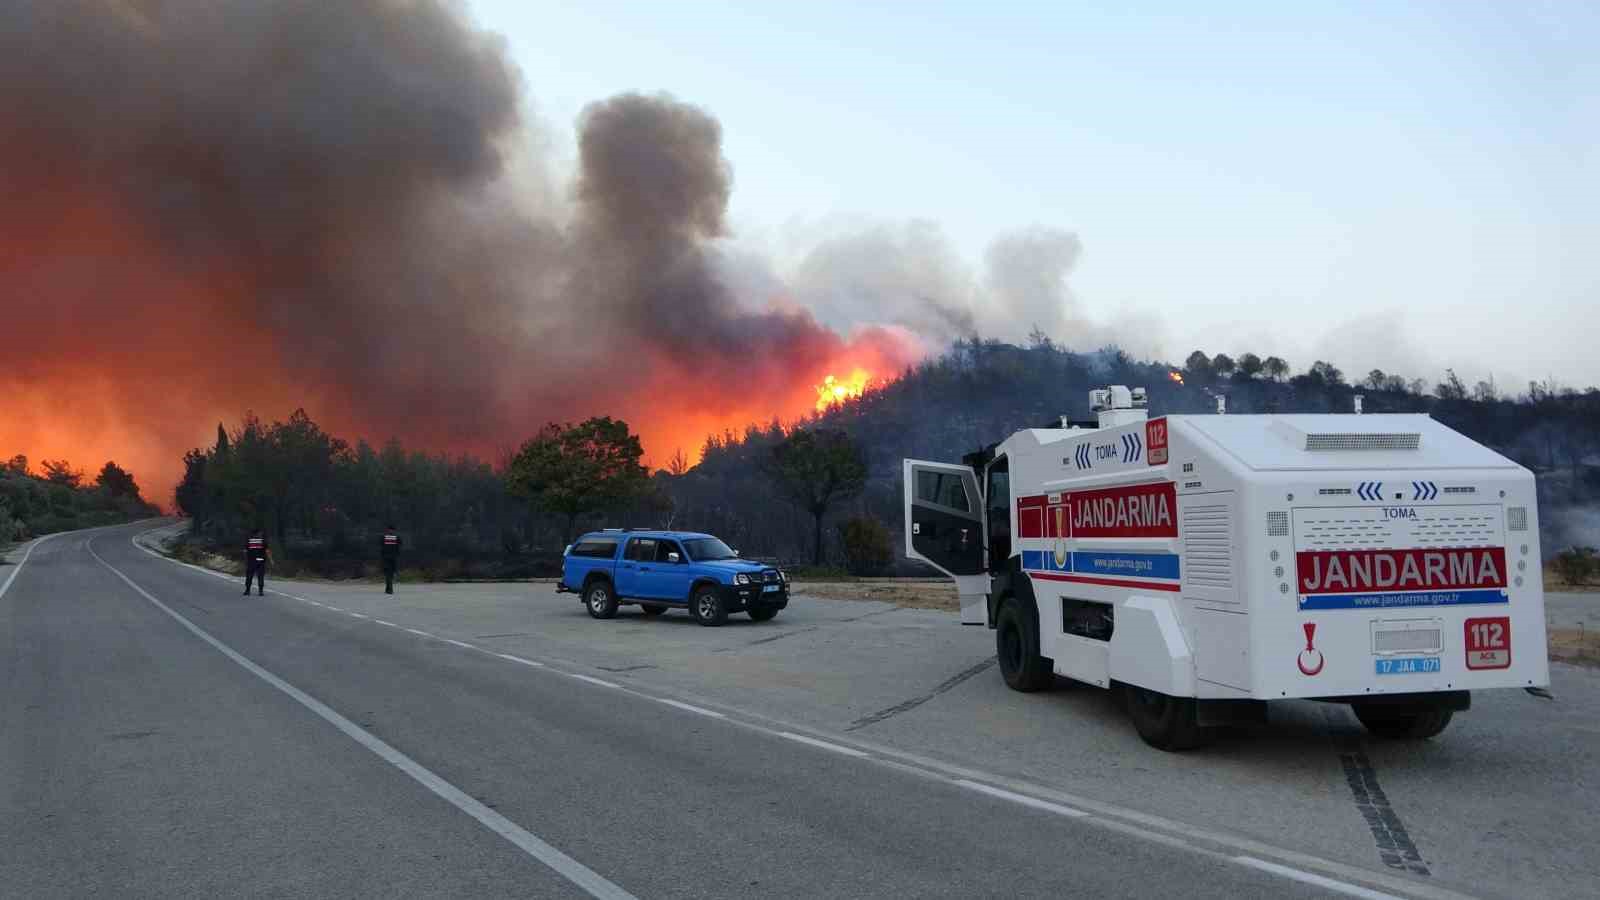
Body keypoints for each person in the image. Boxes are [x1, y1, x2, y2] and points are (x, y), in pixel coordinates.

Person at [243, 528, 271, 596]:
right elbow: (267, 551)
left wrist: (246, 559)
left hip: (251, 560)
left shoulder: (249, 540)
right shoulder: (263, 541)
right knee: (260, 575)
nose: (261, 534)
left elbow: (245, 551)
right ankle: (260, 591)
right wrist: (271, 560)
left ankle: (247, 590)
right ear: (258, 533)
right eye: (260, 533)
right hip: (260, 560)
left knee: (249, 575)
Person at [380, 523, 402, 594]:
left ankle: (388, 589)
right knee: (391, 573)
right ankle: (389, 589)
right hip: (394, 558)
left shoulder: (383, 537)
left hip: (386, 558)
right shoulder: (397, 537)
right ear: (394, 530)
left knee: (387, 573)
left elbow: (381, 547)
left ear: (387, 530)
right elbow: (400, 546)